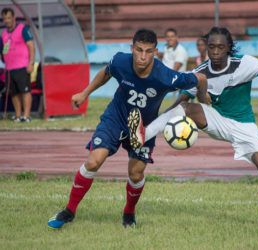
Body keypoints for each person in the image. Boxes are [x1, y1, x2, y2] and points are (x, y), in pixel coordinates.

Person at [128, 27, 258, 228]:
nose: (215, 52)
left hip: (244, 126)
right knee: (183, 106)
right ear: (206, 47)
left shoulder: (244, 64)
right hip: (216, 118)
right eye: (211, 47)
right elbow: (183, 97)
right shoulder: (200, 72)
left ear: (228, 47)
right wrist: (163, 118)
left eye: (220, 47)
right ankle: (143, 135)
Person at [47, 29, 208, 229]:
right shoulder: (120, 61)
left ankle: (129, 213)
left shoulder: (166, 76)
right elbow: (106, 72)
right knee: (94, 161)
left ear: (155, 52)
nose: (142, 56)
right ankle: (69, 211)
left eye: (148, 51)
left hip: (143, 127)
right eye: (139, 50)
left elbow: (200, 78)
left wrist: (203, 97)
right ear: (132, 48)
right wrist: (84, 92)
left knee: (136, 174)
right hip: (116, 118)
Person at [0, 7, 35, 122]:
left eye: (9, 18)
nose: (7, 21)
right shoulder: (3, 34)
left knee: (25, 91)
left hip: (22, 66)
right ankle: (18, 115)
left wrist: (31, 63)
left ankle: (26, 115)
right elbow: (2, 50)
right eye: (4, 19)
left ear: (13, 18)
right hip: (9, 68)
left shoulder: (23, 29)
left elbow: (31, 46)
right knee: (13, 93)